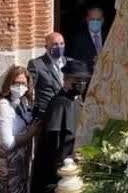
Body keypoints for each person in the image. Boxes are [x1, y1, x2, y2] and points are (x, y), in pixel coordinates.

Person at [31, 59, 90, 193]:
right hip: (57, 172)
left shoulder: (77, 100)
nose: (82, 83)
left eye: (84, 80)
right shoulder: (59, 104)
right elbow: (55, 142)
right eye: (77, 79)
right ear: (66, 79)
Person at [0, 65, 40, 193]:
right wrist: (30, 133)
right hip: (8, 167)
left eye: (23, 83)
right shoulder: (4, 106)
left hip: (21, 164)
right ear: (9, 84)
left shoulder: (23, 102)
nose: (19, 87)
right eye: (16, 83)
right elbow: (7, 143)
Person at [27, 32, 66, 120]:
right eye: (55, 44)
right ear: (46, 47)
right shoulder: (36, 64)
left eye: (62, 44)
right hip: (47, 114)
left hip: (65, 112)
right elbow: (29, 89)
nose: (59, 47)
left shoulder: (67, 62)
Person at [67, 6, 106, 73]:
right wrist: (92, 63)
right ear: (87, 19)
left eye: (98, 20)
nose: (95, 22)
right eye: (92, 19)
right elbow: (74, 63)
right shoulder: (78, 39)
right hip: (87, 78)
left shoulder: (108, 37)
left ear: (102, 20)